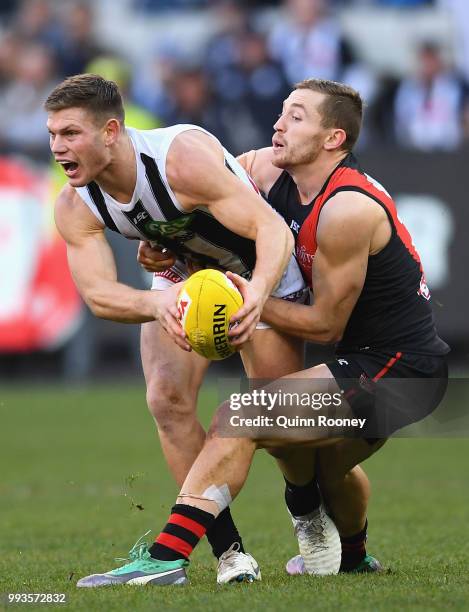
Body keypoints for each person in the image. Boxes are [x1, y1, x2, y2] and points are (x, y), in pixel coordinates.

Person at [76, 78, 449, 587]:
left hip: (402, 377)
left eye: (297, 116)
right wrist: (164, 245)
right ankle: (354, 558)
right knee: (318, 465)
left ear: (332, 138)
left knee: (242, 414)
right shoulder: (273, 173)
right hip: (365, 364)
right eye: (281, 111)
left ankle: (166, 557)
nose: (279, 122)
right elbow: (210, 205)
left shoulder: (346, 209)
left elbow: (324, 323)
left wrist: (248, 302)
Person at [45, 73, 319, 585]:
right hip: (186, 279)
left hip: (262, 270)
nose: (59, 148)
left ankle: (309, 514)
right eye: (53, 135)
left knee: (282, 433)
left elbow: (270, 229)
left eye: (71, 134)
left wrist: (256, 295)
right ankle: (230, 555)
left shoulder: (179, 158)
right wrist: (161, 300)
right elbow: (99, 294)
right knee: (165, 401)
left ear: (110, 132)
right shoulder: (74, 202)